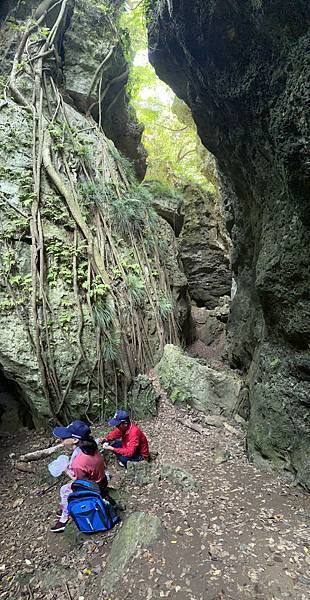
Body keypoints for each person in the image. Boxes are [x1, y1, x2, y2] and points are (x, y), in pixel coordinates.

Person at [50, 420, 107, 533]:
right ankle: (65, 509)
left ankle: (64, 519)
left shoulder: (78, 462)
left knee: (64, 490)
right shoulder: (91, 445)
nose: (61, 440)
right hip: (102, 479)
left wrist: (66, 470)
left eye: (64, 438)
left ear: (75, 440)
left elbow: (79, 482)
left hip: (94, 487)